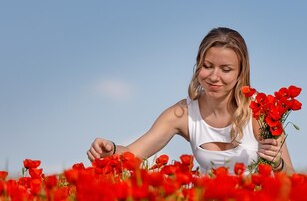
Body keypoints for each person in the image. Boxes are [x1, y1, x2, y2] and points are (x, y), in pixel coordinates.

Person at [87, 27, 294, 175]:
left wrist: (277, 165)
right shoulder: (181, 114)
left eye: (226, 69)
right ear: (198, 66)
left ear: (241, 73)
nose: (214, 76)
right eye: (208, 65)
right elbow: (132, 155)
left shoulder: (260, 111)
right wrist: (111, 149)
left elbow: (292, 177)